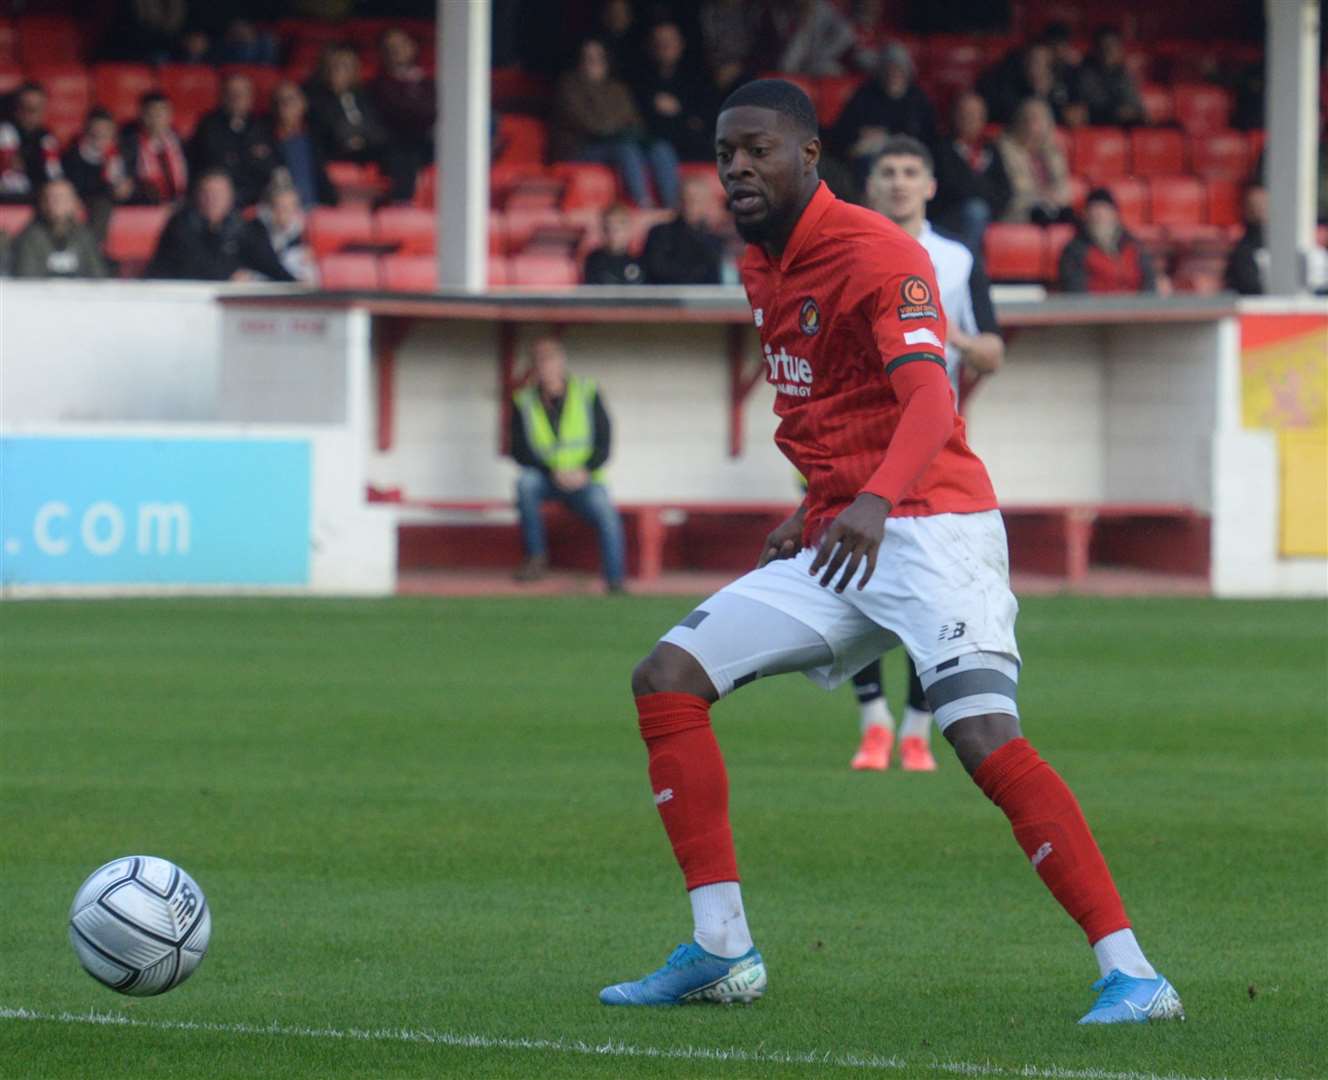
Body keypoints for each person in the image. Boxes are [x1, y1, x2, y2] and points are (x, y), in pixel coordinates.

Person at [598, 78, 1184, 1027]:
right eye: (724, 154)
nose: (738, 168)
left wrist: (867, 501)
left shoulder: (878, 252)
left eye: (759, 150)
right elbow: (836, 405)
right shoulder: (760, 262)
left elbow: (928, 403)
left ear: (810, 156)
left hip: (933, 529)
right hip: (846, 531)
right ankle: (719, 949)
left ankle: (1135, 976)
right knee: (667, 676)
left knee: (982, 737)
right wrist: (823, 504)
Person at [849, 135, 1005, 772]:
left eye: (911, 171)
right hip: (851, 439)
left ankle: (916, 726)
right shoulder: (846, 252)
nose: (899, 182)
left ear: (931, 186)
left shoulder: (956, 260)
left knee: (931, 590)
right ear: (871, 185)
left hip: (926, 446)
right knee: (853, 579)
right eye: (887, 171)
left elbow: (992, 349)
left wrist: (949, 337)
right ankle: (872, 720)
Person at [509, 334, 626, 593]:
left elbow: (604, 442)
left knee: (606, 511)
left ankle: (615, 579)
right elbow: (518, 450)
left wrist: (584, 470)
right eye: (540, 362)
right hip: (546, 478)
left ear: (561, 363)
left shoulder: (587, 393)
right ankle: (536, 559)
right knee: (525, 484)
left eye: (550, 361)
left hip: (584, 479)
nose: (546, 367)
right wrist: (553, 471)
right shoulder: (523, 401)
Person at [550, 39, 680, 210]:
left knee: (660, 147)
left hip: (616, 141)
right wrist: (619, 127)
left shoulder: (618, 88)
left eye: (599, 57)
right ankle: (643, 204)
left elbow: (634, 121)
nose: (595, 62)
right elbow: (590, 125)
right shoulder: (568, 86)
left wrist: (622, 129)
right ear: (579, 61)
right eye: (589, 57)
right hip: (580, 148)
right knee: (625, 149)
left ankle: (672, 206)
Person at [146, 169, 295, 282]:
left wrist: (295, 284)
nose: (213, 200)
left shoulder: (242, 227)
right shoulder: (181, 225)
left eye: (219, 194)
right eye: (207, 193)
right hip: (180, 298)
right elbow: (190, 265)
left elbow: (267, 263)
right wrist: (229, 275)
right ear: (197, 196)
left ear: (230, 197)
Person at [828, 43, 938, 183]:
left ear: (907, 72)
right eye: (889, 69)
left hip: (908, 157)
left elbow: (928, 137)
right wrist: (859, 138)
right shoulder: (864, 95)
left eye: (899, 69)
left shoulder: (917, 99)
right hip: (868, 158)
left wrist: (887, 137)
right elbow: (842, 132)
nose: (894, 74)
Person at [931, 91, 1011, 254]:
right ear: (954, 116)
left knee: (979, 211)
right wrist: (982, 189)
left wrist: (976, 189)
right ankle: (971, 272)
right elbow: (949, 189)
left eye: (976, 114)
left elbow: (1005, 191)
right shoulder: (940, 148)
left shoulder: (991, 149)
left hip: (987, 215)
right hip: (946, 218)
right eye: (965, 114)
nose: (970, 119)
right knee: (975, 210)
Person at [630, 22, 714, 163]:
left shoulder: (698, 80)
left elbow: (702, 122)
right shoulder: (639, 81)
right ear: (650, 47)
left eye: (670, 41)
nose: (665, 46)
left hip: (692, 152)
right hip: (653, 152)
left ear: (681, 44)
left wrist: (679, 111)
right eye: (660, 42)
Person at [190, 73, 277, 207]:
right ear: (223, 96)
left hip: (258, 195)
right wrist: (249, 156)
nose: (237, 98)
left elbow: (268, 165)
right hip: (221, 194)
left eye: (242, 93)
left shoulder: (261, 126)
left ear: (250, 97)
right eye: (232, 93)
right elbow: (216, 163)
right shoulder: (208, 124)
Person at [373, 28, 435, 202]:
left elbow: (440, 109)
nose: (397, 50)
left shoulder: (428, 81)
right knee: (404, 149)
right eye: (390, 47)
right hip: (399, 145)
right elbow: (399, 113)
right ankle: (402, 205)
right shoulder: (379, 84)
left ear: (413, 47)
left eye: (402, 45)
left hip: (432, 140)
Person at [1058, 188, 1158, 294]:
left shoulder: (1134, 246)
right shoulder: (1074, 250)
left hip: (1135, 308)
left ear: (1114, 214)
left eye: (1104, 210)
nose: (1100, 216)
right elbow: (1076, 291)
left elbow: (1149, 283)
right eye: (1094, 211)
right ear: (1086, 215)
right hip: (1097, 309)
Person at [10, 179, 108, 279]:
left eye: (61, 198)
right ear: (42, 203)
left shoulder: (85, 237)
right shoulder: (29, 238)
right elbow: (25, 279)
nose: (54, 203)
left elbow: (98, 277)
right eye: (49, 198)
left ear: (75, 203)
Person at [62, 109, 134, 242]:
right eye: (95, 131)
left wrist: (126, 188)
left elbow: (129, 181)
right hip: (83, 199)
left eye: (105, 131)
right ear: (86, 131)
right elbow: (69, 183)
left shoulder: (123, 153)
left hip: (113, 201)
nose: (100, 135)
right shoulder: (73, 154)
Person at [997, 98, 1072, 225]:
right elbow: (1017, 190)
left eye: (1042, 119)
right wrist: (1043, 197)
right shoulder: (1005, 148)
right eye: (1031, 119)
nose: (1036, 125)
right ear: (1020, 122)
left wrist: (1055, 197)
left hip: (1052, 210)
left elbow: (1064, 188)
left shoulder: (1053, 151)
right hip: (1018, 212)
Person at [642, 174, 724, 284]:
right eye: (686, 197)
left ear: (706, 204)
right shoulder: (659, 234)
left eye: (697, 199)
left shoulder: (714, 242)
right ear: (678, 201)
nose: (691, 203)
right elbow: (657, 271)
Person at [271, 82, 336, 208]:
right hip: (281, 212)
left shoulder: (316, 137)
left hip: (316, 208)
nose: (285, 105)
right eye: (279, 101)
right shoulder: (264, 139)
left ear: (303, 104)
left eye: (290, 99)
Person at [121, 92, 189, 205]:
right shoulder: (129, 144)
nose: (156, 119)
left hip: (181, 204)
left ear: (170, 115)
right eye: (151, 114)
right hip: (145, 206)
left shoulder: (181, 143)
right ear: (142, 115)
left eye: (161, 113)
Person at [0, 84, 63, 202]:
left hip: (39, 196)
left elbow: (54, 174)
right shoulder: (5, 132)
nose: (32, 112)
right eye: (26, 107)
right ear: (16, 109)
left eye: (37, 107)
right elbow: (12, 169)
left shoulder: (47, 138)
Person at [1074, 27, 1143, 128]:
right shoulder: (1085, 73)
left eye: (1113, 46)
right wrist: (1117, 111)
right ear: (1096, 49)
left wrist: (1131, 112)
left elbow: (1137, 106)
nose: (1108, 51)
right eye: (1105, 46)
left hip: (1124, 128)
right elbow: (1093, 106)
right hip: (1097, 127)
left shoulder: (1123, 74)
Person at [250, 177, 316, 283]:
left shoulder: (303, 233)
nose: (287, 214)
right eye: (282, 207)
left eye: (292, 207)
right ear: (271, 209)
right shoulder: (256, 231)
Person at [770, 0, 856, 77]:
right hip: (797, 68)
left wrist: (824, 56)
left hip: (819, 64)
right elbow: (788, 64)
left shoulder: (822, 10)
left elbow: (848, 35)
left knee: (830, 69)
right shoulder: (781, 10)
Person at [583, 203, 647, 284]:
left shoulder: (639, 260)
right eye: (607, 228)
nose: (612, 234)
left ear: (629, 230)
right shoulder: (594, 260)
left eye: (618, 229)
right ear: (602, 229)